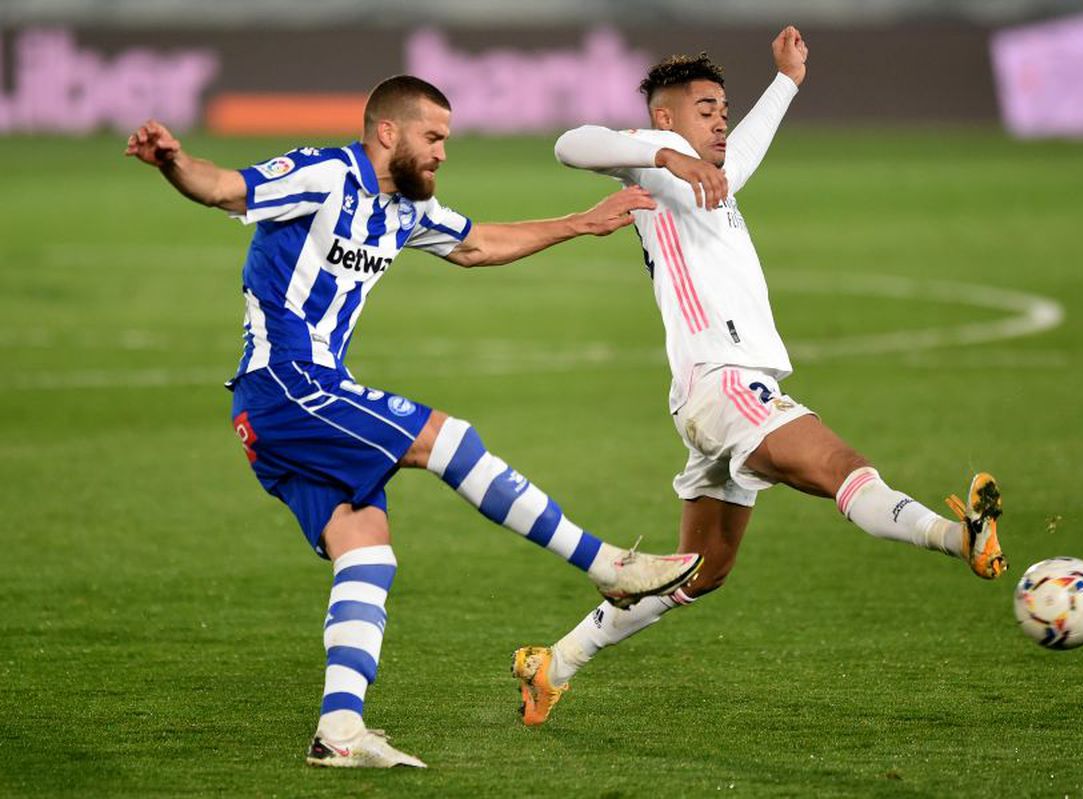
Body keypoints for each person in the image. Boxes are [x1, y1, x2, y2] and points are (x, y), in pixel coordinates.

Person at [124, 75, 703, 769]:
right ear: (388, 133)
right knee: (446, 438)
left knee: (367, 549)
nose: (442, 154)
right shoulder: (325, 173)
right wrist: (172, 163)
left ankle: (339, 731)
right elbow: (225, 186)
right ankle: (609, 565)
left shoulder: (400, 209)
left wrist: (578, 222)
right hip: (285, 385)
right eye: (433, 139)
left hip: (289, 407)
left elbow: (476, 243)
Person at [511, 27, 1007, 726]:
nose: (719, 119)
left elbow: (736, 158)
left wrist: (786, 82)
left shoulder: (707, 176)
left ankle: (555, 661)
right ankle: (959, 537)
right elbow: (569, 143)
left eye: (723, 107)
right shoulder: (657, 161)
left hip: (715, 388)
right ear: (665, 117)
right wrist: (663, 157)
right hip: (725, 379)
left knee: (703, 568)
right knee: (839, 463)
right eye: (707, 107)